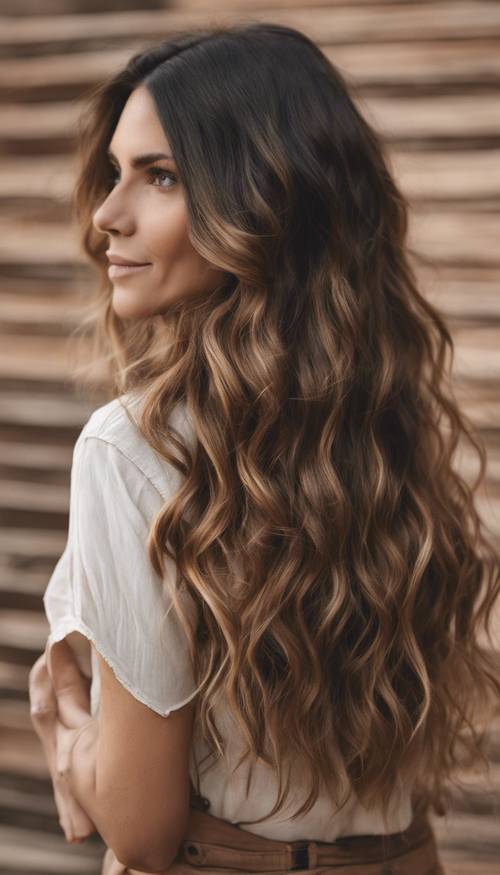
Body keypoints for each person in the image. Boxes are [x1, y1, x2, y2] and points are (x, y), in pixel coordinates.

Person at [29, 21, 500, 875]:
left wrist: (68, 734)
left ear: (261, 204)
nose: (106, 216)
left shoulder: (129, 449)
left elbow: (141, 828)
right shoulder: (382, 427)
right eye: (113, 175)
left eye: (160, 177)